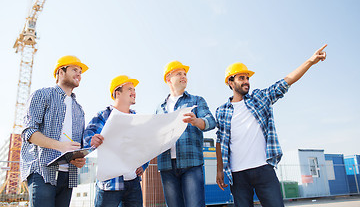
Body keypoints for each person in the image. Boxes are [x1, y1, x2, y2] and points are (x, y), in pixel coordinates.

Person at [215, 45, 327, 207]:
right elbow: (220, 141)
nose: (246, 82)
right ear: (230, 82)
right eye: (241, 78)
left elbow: (286, 81)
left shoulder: (259, 98)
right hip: (237, 175)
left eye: (247, 78)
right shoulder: (221, 111)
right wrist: (219, 170)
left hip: (263, 169)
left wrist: (310, 61)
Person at [20, 55, 89, 207]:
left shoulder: (79, 110)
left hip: (68, 175)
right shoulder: (42, 95)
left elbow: (78, 145)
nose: (79, 74)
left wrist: (79, 159)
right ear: (60, 72)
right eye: (74, 69)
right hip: (42, 171)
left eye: (80, 71)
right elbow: (29, 132)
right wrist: (60, 146)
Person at [156, 60, 216, 207]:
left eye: (185, 74)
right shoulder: (160, 108)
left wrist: (197, 121)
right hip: (167, 166)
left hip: (191, 164)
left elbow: (211, 121)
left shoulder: (196, 100)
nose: (184, 77)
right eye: (179, 74)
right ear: (168, 79)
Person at [83, 75, 148, 207]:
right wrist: (92, 140)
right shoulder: (104, 115)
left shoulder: (137, 118)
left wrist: (144, 164)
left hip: (133, 184)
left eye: (134, 89)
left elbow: (145, 146)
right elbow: (87, 137)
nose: (134, 92)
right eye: (130, 89)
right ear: (117, 93)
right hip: (110, 184)